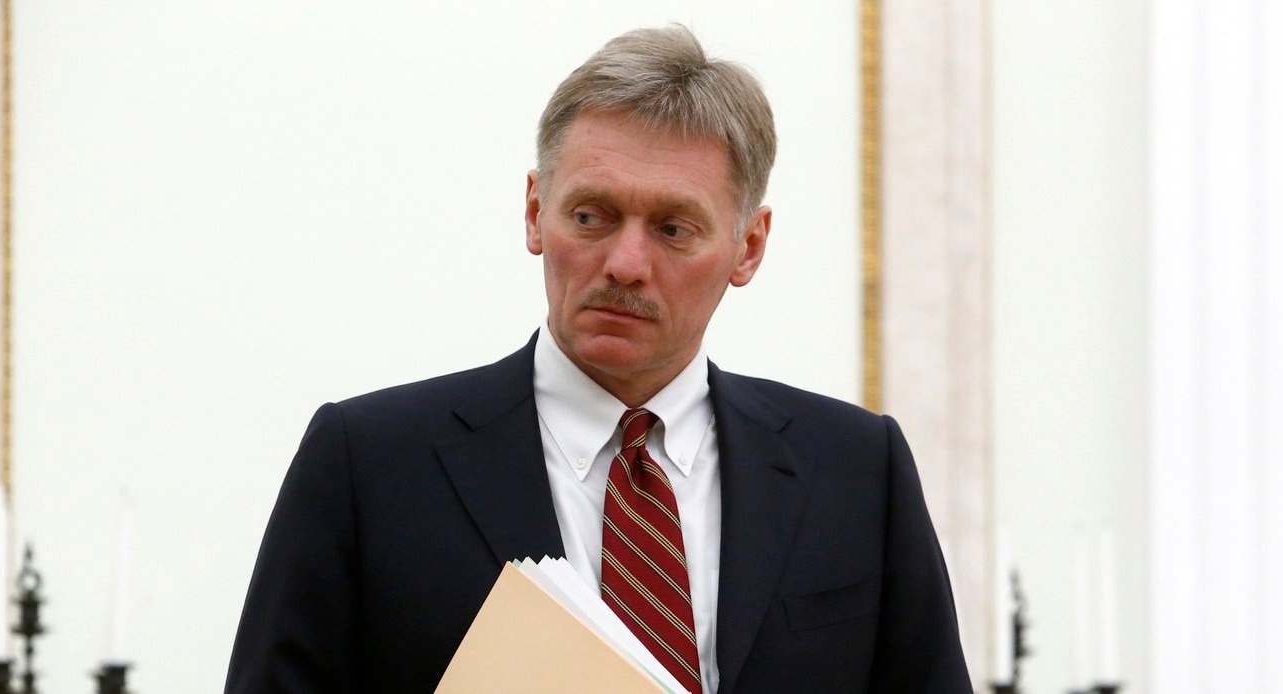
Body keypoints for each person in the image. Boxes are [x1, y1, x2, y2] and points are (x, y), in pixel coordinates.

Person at [225, 25, 970, 693]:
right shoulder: (370, 464)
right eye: (591, 216)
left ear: (748, 246)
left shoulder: (855, 470)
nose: (625, 263)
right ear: (534, 212)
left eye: (673, 229)